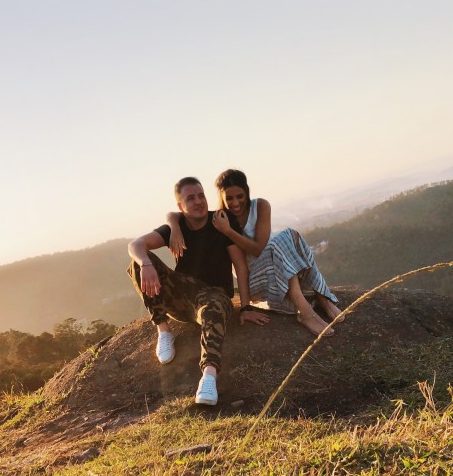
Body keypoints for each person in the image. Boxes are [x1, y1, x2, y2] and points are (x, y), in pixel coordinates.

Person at [127, 176, 267, 406]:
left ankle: (208, 377)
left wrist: (245, 306)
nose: (198, 201)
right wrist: (146, 263)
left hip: (214, 295)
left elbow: (240, 266)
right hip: (183, 296)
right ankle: (163, 330)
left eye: (201, 195)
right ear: (181, 206)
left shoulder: (220, 222)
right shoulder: (177, 226)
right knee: (138, 262)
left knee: (212, 304)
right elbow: (135, 245)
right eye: (190, 198)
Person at [168, 170, 343, 336]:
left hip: (274, 262)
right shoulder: (220, 218)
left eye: (240, 196)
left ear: (247, 192)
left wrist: (229, 231)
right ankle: (306, 312)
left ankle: (323, 298)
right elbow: (174, 214)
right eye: (229, 198)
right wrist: (174, 227)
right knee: (279, 241)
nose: (235, 203)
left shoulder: (260, 206)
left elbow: (258, 247)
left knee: (289, 235)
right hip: (252, 277)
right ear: (221, 198)